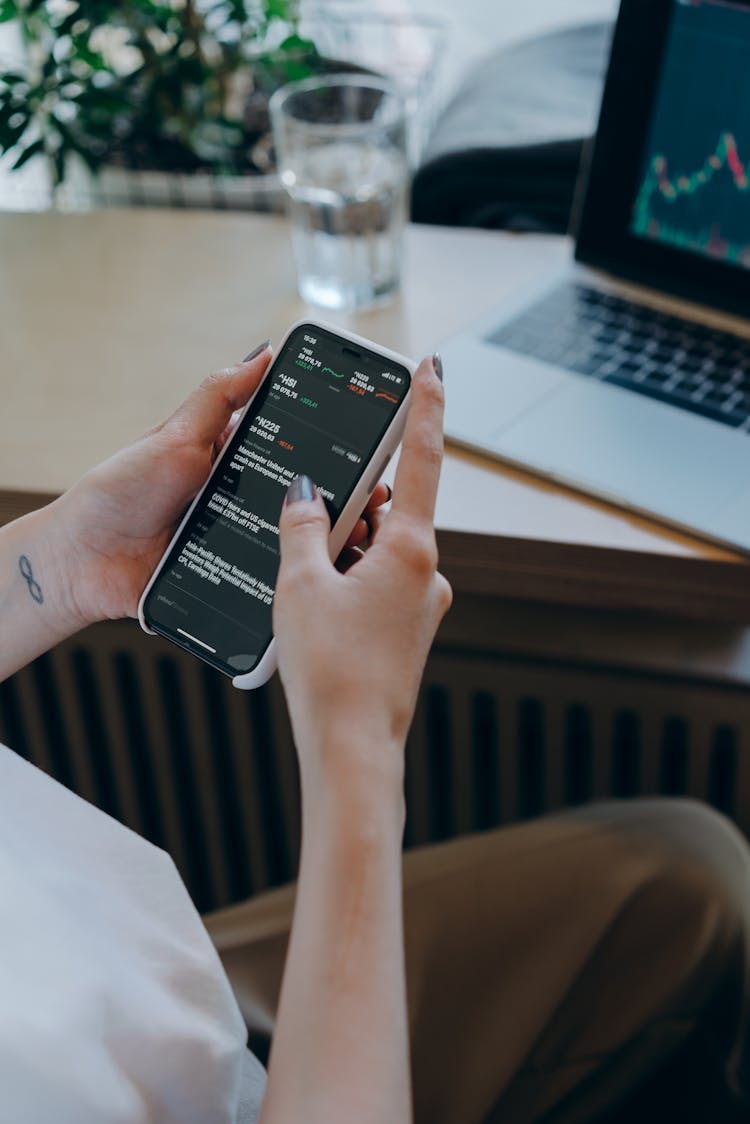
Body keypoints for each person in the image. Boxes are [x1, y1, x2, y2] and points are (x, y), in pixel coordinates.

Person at [1, 342, 749, 1124]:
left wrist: (65, 560)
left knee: (692, 882)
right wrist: (357, 735)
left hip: (146, 986)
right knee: (691, 888)